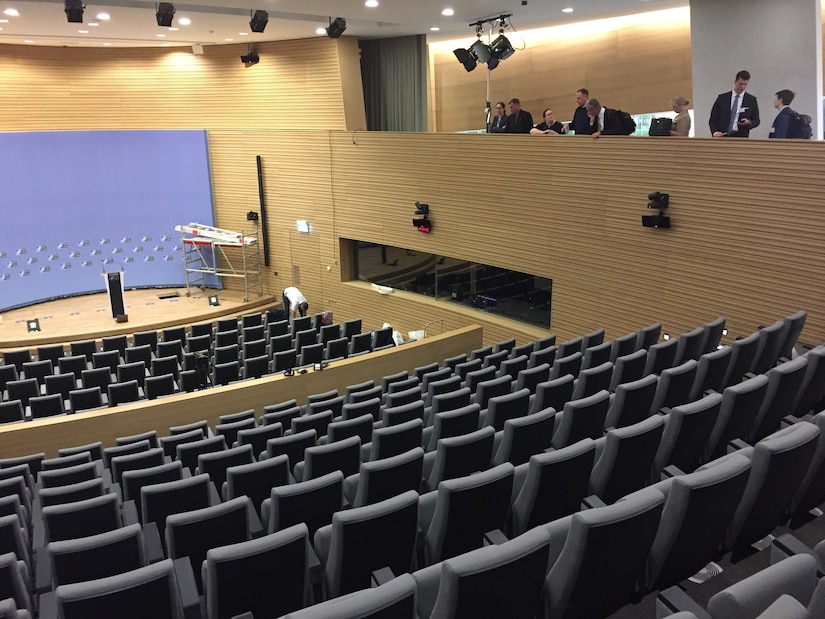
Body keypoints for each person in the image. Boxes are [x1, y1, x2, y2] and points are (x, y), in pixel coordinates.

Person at [709, 70, 760, 138]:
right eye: (740, 84)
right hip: (722, 135)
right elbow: (713, 119)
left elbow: (756, 120)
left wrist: (749, 123)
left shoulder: (751, 100)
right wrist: (715, 132)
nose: (742, 87)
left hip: (741, 136)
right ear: (735, 82)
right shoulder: (722, 98)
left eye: (745, 84)